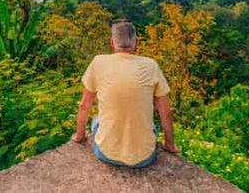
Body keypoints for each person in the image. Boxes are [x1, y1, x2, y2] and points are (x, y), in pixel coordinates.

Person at [71, 19, 178, 168]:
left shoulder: (98, 62)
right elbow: (165, 112)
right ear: (136, 42)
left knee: (96, 119)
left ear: (112, 42)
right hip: (144, 158)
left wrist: (79, 136)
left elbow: (84, 106)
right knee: (150, 124)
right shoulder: (151, 65)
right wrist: (170, 145)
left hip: (105, 154)